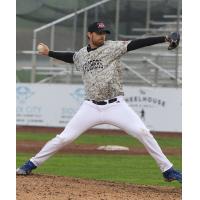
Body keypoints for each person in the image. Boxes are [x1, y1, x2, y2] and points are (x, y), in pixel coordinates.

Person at [17, 22, 181, 183]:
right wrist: (49, 53)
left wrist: (165, 38)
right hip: (91, 107)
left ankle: (168, 170)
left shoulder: (112, 48)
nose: (102, 36)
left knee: (143, 132)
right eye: (99, 33)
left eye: (104, 33)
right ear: (90, 34)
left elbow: (136, 44)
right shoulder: (82, 54)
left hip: (116, 105)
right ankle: (31, 163)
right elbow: (71, 58)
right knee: (64, 138)